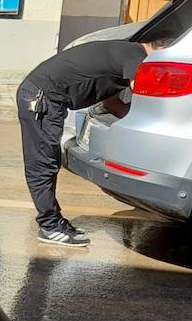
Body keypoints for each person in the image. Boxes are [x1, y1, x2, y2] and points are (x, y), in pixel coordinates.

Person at [17, 37, 169, 247]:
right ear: (160, 50)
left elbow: (112, 103)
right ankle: (49, 226)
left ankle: (53, 222)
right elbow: (144, 90)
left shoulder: (124, 53)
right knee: (43, 164)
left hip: (44, 95)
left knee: (47, 162)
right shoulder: (137, 57)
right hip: (42, 98)